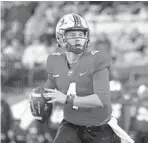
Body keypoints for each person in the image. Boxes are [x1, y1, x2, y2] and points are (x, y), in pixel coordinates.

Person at [31, 13, 134, 143]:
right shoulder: (54, 61)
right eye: (73, 35)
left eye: (81, 34)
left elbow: (101, 99)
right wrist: (40, 98)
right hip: (71, 125)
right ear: (60, 37)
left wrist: (67, 99)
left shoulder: (97, 59)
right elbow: (48, 92)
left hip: (100, 127)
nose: (78, 39)